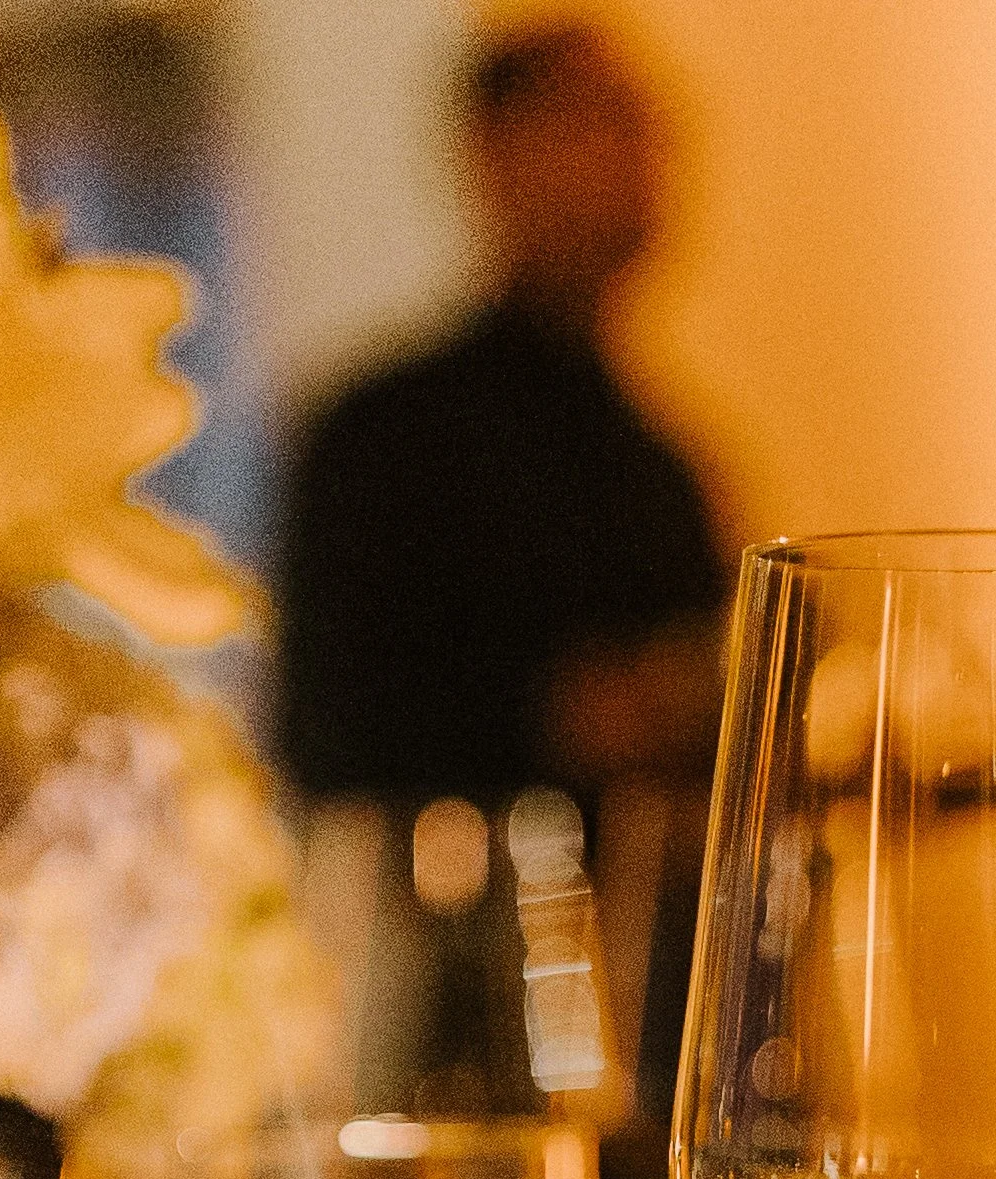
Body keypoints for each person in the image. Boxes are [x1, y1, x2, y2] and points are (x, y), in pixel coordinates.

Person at [275, 17, 727, 824]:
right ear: (490, 155)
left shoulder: (663, 461)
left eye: (644, 125)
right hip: (456, 935)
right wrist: (589, 716)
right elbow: (333, 733)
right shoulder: (381, 439)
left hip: (658, 936)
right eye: (595, 118)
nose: (639, 155)